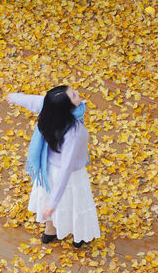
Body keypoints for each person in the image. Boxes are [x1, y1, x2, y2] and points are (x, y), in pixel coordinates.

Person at [6, 85, 100, 247]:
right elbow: (66, 168)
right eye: (74, 96)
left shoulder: (49, 109)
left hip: (48, 166)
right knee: (75, 202)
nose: (79, 95)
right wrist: (53, 204)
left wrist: (14, 97)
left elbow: (32, 101)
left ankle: (51, 231)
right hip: (70, 174)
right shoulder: (75, 132)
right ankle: (80, 235)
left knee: (48, 196)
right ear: (67, 108)